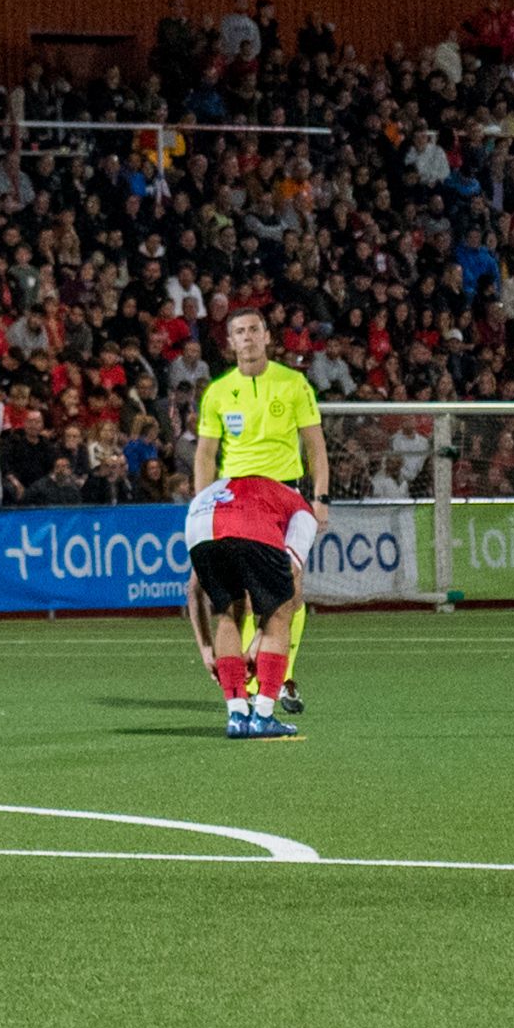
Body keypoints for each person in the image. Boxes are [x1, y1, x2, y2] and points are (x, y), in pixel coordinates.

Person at [191, 308, 328, 737]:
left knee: (235, 606)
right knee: (287, 595)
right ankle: (265, 690)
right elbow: (206, 455)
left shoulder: (293, 384)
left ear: (267, 336)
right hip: (239, 498)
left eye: (253, 330)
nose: (247, 338)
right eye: (238, 332)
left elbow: (315, 448)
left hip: (279, 493)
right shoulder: (217, 392)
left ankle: (244, 697)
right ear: (229, 342)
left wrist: (321, 497)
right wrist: (203, 498)